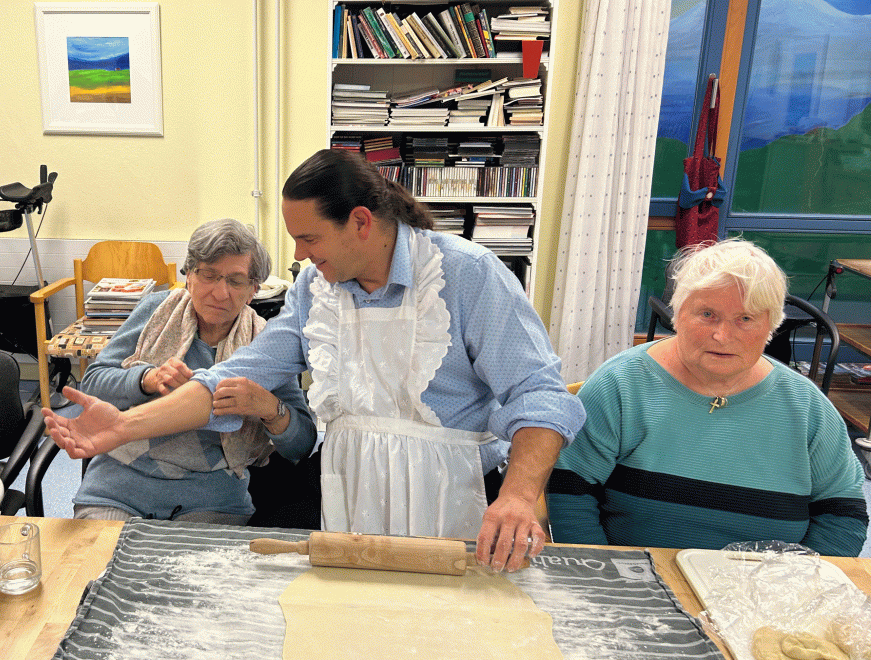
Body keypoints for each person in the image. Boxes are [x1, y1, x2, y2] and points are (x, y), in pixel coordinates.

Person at [45, 149, 585, 571]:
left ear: (360, 222)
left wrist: (518, 495)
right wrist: (121, 427)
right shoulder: (317, 290)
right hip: (351, 491)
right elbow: (230, 378)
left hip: (453, 496)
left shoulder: (466, 275)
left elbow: (537, 394)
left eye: (308, 237)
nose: (299, 254)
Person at [546, 238, 868, 556]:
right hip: (636, 582)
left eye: (745, 318)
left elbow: (842, 512)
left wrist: (800, 588)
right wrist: (605, 574)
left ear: (772, 324)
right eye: (707, 314)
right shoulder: (621, 386)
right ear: (678, 313)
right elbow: (570, 492)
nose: (722, 335)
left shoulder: (807, 408)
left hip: (767, 591)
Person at [70, 219, 317, 524]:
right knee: (95, 563)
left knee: (196, 571)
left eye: (236, 281)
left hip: (211, 498)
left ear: (254, 289)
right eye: (208, 275)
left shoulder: (265, 342)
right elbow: (92, 384)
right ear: (188, 276)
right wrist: (146, 379)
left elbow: (301, 445)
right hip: (120, 485)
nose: (220, 292)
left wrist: (270, 408)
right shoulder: (156, 311)